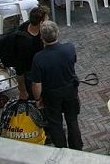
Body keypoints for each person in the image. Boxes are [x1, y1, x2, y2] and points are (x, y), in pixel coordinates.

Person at [28, 21, 82, 150]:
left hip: (51, 94)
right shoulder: (69, 48)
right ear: (58, 33)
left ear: (42, 38)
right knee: (72, 120)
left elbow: (36, 84)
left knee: (55, 123)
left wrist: (37, 99)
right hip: (70, 90)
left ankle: (61, 149)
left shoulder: (39, 58)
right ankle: (77, 149)